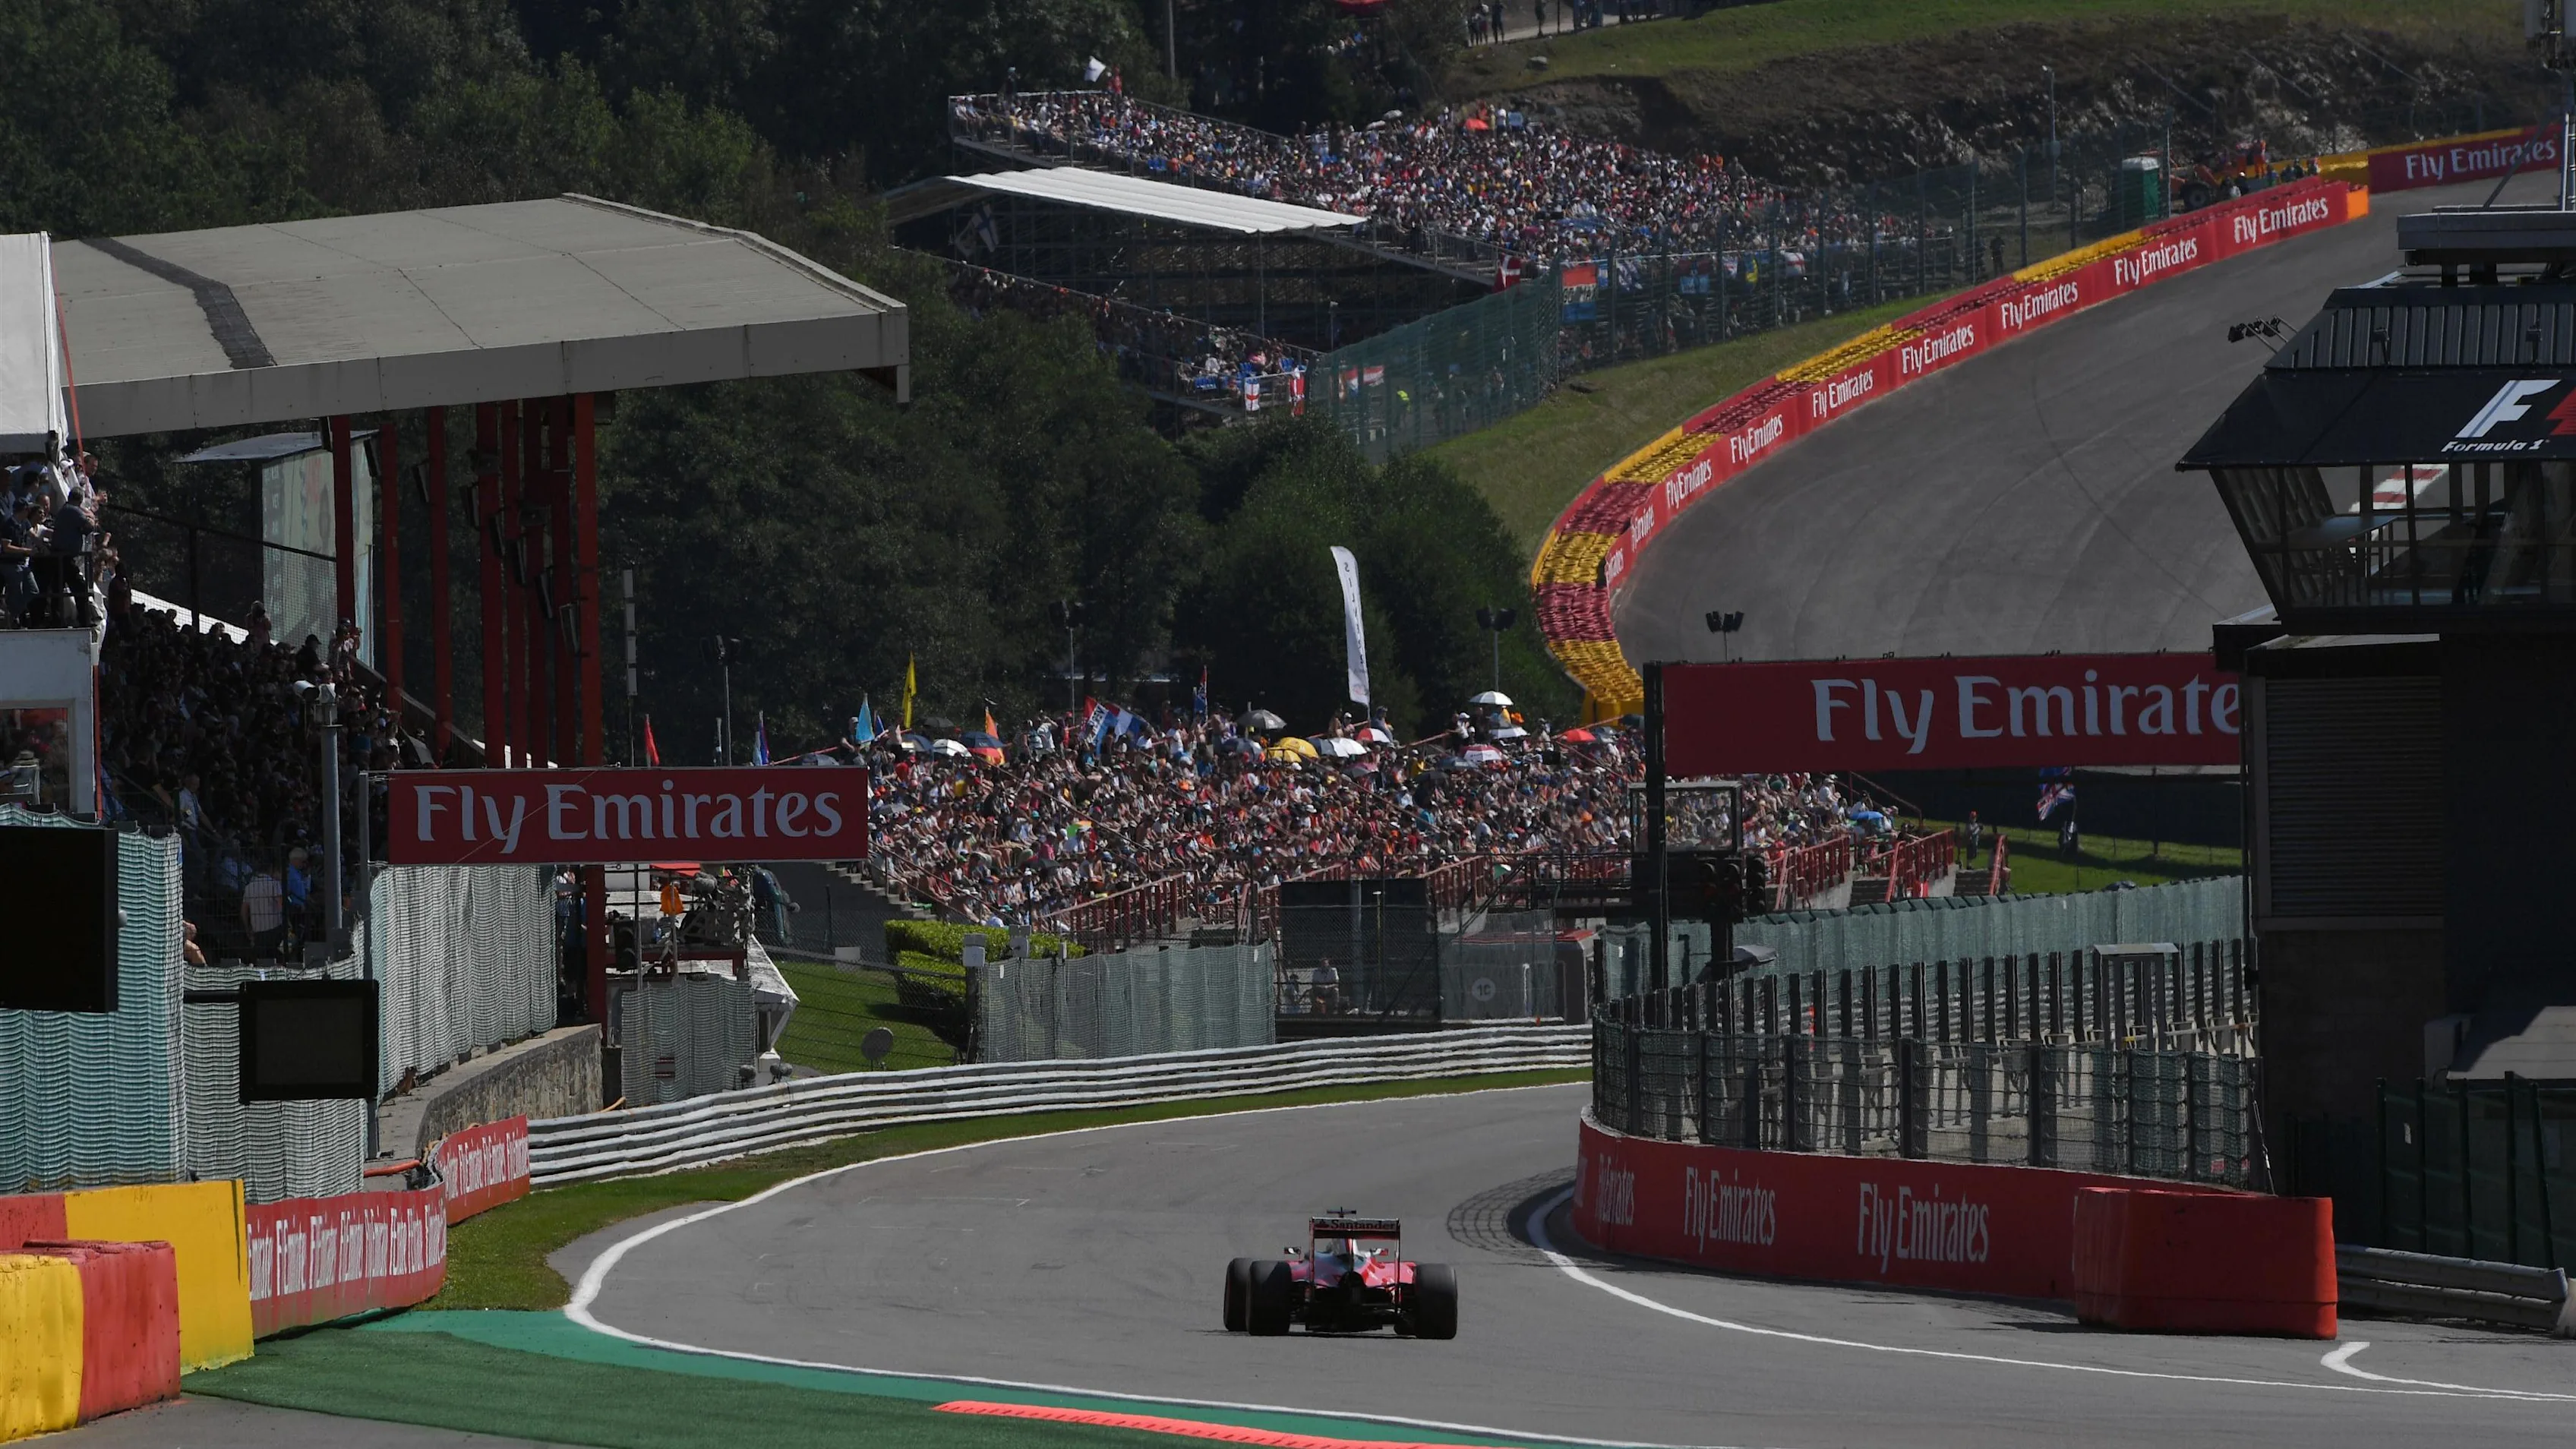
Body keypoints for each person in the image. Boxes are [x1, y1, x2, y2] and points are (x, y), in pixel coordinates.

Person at [242, 866, 286, 960]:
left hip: (258, 932)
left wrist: (247, 928)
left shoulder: (249, 887)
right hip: (275, 929)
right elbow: (282, 904)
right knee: (278, 958)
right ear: (271, 871)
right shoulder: (274, 884)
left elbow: (244, 911)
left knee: (262, 961)